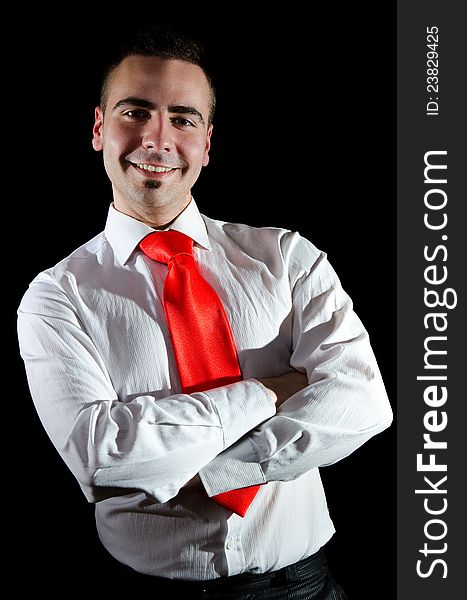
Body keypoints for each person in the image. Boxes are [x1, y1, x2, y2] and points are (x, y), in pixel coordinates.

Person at [17, 25, 392, 599]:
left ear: (207, 142)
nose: (158, 138)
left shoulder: (287, 258)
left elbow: (362, 401)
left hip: (304, 588)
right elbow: (103, 457)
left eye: (183, 119)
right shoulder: (57, 296)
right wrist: (269, 392)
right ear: (98, 128)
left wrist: (219, 471)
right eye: (135, 112)